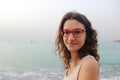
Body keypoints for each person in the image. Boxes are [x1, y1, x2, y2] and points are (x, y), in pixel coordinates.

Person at [55, 11, 100, 80]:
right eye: (66, 32)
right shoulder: (73, 63)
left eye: (77, 32)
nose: (71, 38)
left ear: (87, 35)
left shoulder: (88, 63)